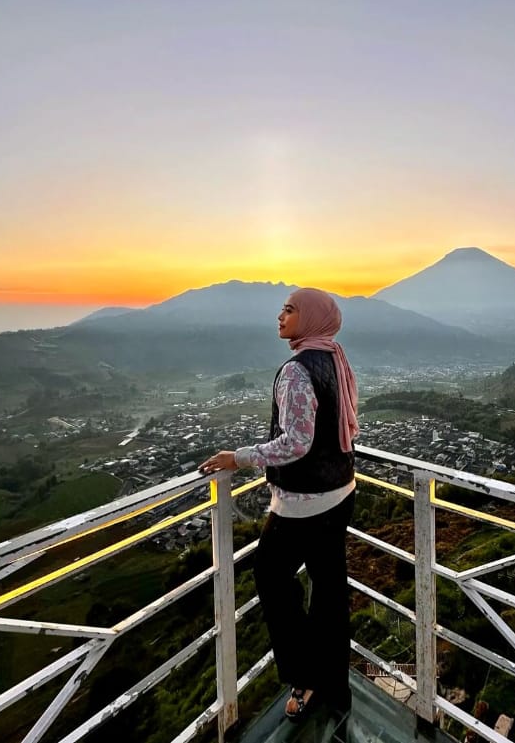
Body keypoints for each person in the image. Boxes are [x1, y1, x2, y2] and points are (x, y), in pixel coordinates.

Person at [199, 287, 359, 720]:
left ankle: (305, 678)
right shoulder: (333, 357)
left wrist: (240, 457)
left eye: (289, 309)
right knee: (328, 591)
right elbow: (341, 426)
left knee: (270, 577)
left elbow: (296, 442)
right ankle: (335, 687)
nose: (280, 315)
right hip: (341, 492)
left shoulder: (296, 369)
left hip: (305, 504)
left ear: (309, 318)